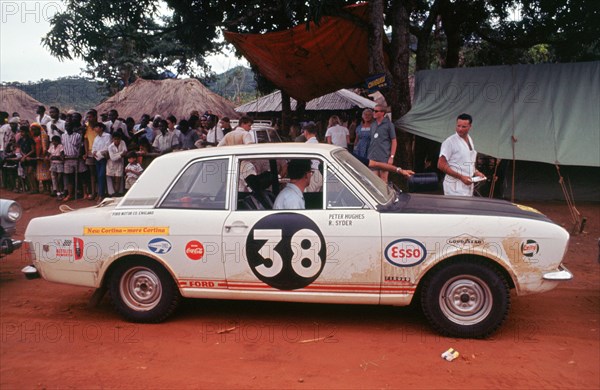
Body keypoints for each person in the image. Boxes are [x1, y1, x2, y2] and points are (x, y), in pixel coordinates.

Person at [437, 113, 485, 196]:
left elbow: (467, 161)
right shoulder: (450, 142)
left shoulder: (469, 139)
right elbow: (441, 165)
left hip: (468, 184)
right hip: (454, 186)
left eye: (463, 127)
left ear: (470, 126)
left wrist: (476, 172)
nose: (460, 129)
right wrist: (461, 177)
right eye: (458, 126)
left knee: (466, 208)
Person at [367, 104, 397, 182]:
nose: (374, 112)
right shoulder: (373, 125)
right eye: (374, 111)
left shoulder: (389, 125)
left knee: (383, 179)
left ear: (382, 113)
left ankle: (385, 194)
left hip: (384, 156)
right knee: (374, 180)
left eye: (376, 111)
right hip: (372, 156)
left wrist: (392, 156)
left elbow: (394, 141)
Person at [91, 122, 111, 200]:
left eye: (96, 127)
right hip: (97, 159)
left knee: (101, 176)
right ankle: (101, 194)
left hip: (104, 158)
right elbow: (94, 147)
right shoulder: (96, 138)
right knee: (99, 176)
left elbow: (107, 147)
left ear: (101, 128)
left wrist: (99, 152)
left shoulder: (107, 136)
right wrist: (94, 152)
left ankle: (101, 195)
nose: (95, 129)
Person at [302, 122, 323, 192]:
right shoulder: (318, 144)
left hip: (312, 174)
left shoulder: (306, 145)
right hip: (321, 174)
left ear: (306, 132)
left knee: (308, 195)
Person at [107, 132, 127, 196]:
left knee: (118, 179)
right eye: (115, 139)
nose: (116, 141)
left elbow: (125, 151)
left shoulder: (123, 142)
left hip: (120, 164)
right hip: (111, 165)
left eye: (118, 139)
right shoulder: (110, 147)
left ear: (120, 139)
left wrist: (116, 155)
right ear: (113, 139)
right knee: (113, 180)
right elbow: (112, 158)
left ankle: (117, 193)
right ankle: (115, 193)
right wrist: (121, 154)